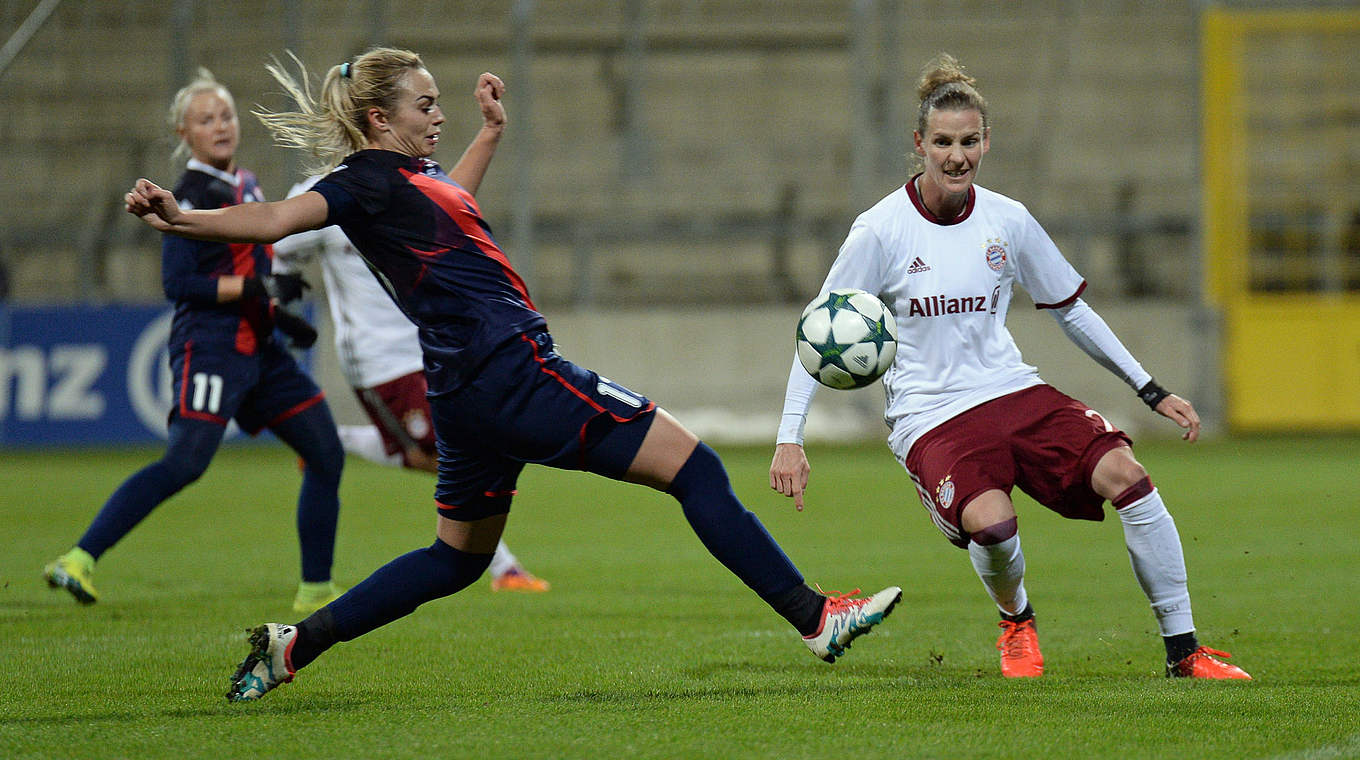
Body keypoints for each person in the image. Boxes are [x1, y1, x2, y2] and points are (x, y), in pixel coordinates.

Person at [123, 48, 901, 702]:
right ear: (378, 120)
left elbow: (449, 201)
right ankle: (813, 617)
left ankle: (294, 647)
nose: (439, 115)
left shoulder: (411, 181)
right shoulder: (358, 183)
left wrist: (491, 134)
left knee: (457, 559)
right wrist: (179, 218)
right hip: (514, 371)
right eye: (425, 105)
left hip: (465, 391)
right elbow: (273, 222)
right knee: (694, 468)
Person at [770, 53, 1249, 680]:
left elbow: (1072, 312)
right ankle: (1017, 622)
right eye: (942, 142)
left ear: (986, 141)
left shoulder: (1008, 220)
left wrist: (1149, 388)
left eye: (969, 141)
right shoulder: (879, 232)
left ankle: (1184, 652)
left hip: (1012, 390)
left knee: (1128, 476)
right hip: (930, 414)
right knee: (993, 525)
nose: (957, 156)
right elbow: (821, 337)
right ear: (920, 144)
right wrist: (789, 437)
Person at [45, 69, 346, 615]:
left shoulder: (246, 185)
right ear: (184, 134)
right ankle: (78, 558)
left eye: (226, 115)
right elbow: (180, 285)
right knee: (186, 462)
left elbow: (246, 271)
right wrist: (260, 286)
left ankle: (316, 589)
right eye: (205, 119)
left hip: (260, 347)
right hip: (212, 348)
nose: (221, 125)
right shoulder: (187, 196)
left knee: (325, 451)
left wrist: (278, 316)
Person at [271, 175, 549, 592]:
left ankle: (332, 441)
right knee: (451, 456)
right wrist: (279, 295)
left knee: (445, 455)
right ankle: (502, 568)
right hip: (379, 360)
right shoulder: (320, 194)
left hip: (432, 343)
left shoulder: (407, 179)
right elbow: (279, 246)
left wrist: (489, 134)